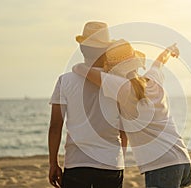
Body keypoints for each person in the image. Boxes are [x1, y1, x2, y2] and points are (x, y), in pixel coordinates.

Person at [73, 39, 191, 188]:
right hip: (182, 159)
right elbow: (160, 60)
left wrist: (77, 65)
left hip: (161, 166)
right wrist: (170, 50)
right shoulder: (153, 79)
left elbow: (82, 70)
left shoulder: (122, 88)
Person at [48, 22, 126, 188]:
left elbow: (55, 126)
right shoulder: (118, 82)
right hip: (111, 163)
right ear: (106, 51)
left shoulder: (65, 81)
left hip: (77, 163)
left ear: (82, 49)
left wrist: (53, 163)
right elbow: (124, 128)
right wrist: (120, 157)